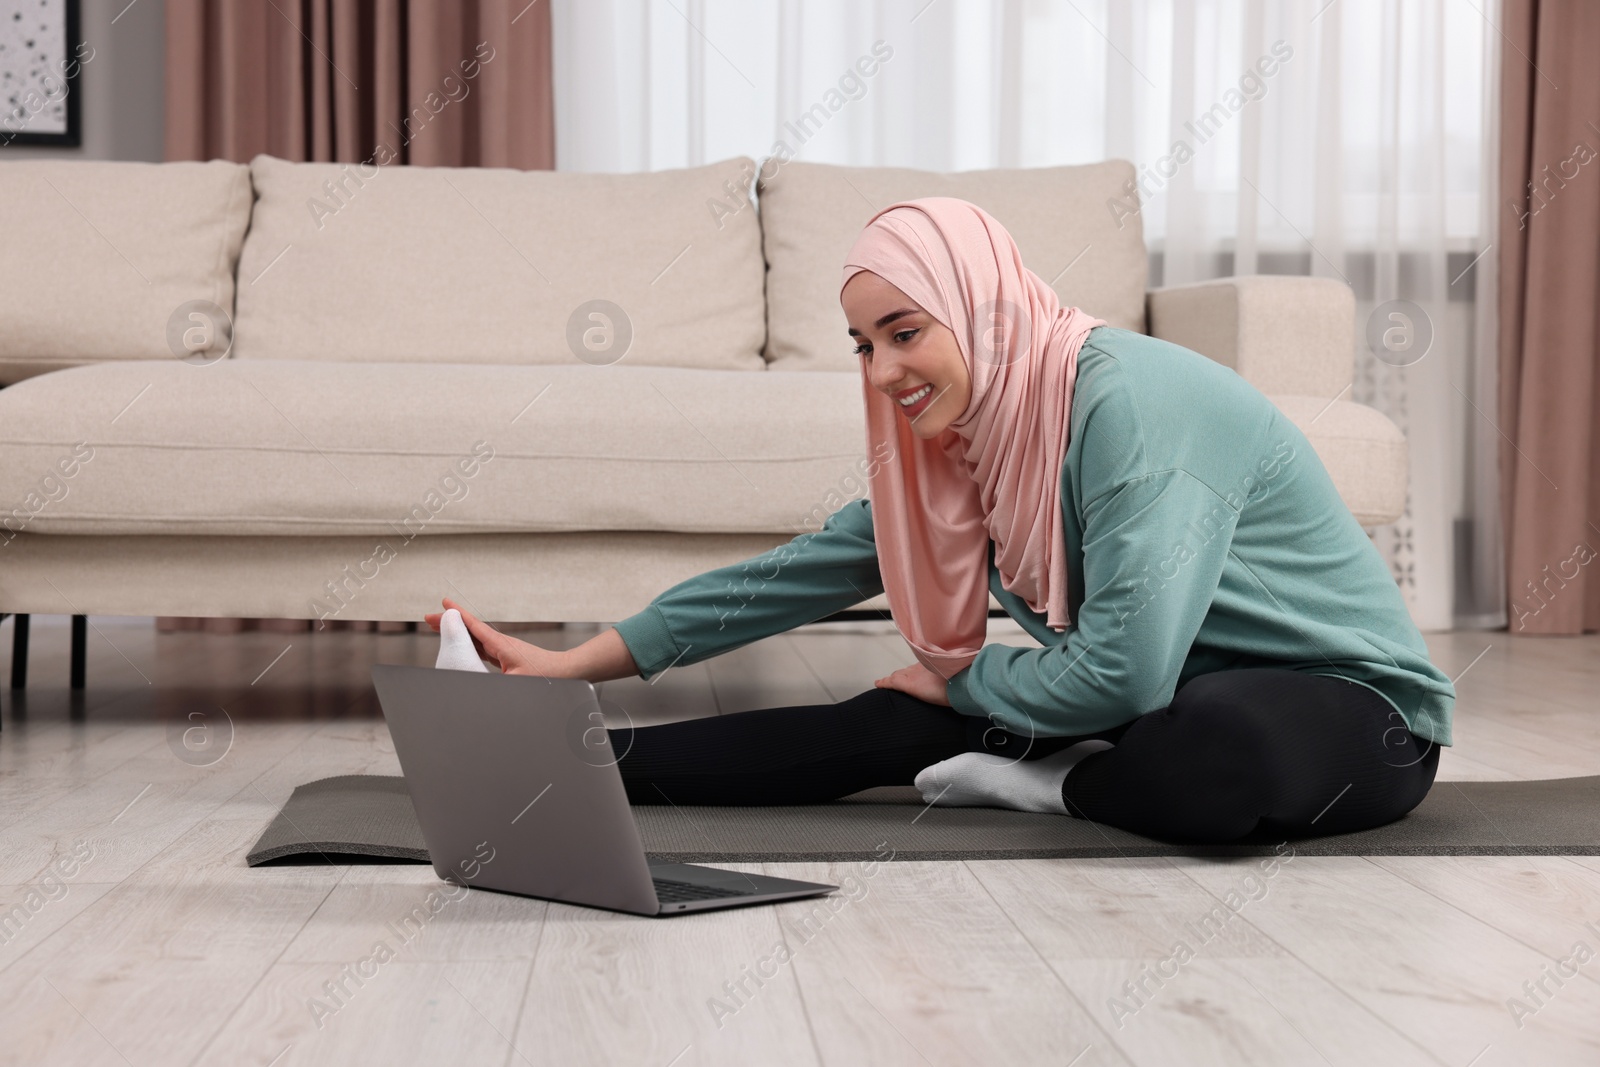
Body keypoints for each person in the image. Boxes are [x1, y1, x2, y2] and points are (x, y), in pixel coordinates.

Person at [425, 196, 1454, 845]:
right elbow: (799, 572)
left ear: (978, 305)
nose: (883, 372)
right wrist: (574, 665)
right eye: (862, 344)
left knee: (1219, 749)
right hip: (1151, 695)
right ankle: (563, 766)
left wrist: (962, 672)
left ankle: (1047, 788)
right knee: (886, 719)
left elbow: (1130, 674)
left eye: (904, 332)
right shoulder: (961, 441)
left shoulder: (1133, 404)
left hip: (1349, 710)